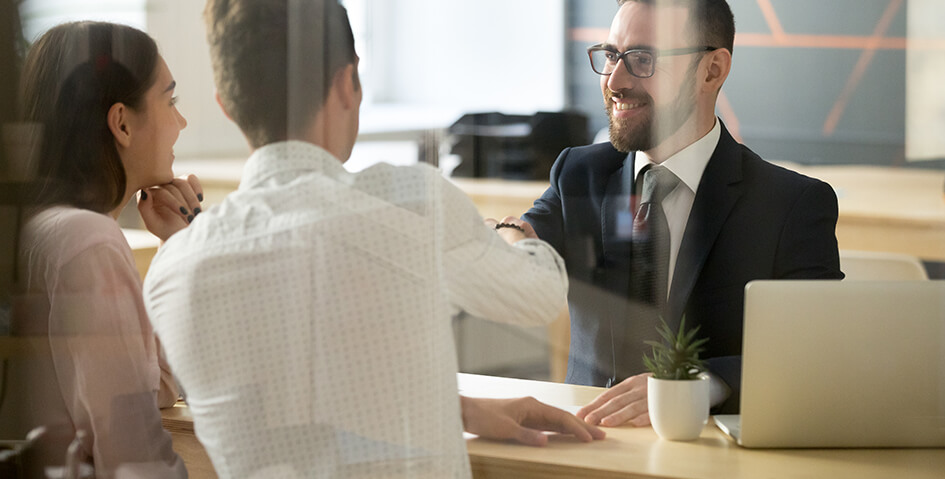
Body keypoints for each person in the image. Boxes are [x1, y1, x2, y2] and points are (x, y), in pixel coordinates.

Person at [142, 1, 603, 477]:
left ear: (226, 104)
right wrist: (508, 234)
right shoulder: (411, 201)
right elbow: (540, 296)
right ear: (348, 82)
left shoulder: (173, 269)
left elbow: (296, 405)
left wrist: (457, 408)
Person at [523, 0, 844, 426]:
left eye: (641, 59)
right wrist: (510, 233)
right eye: (612, 55)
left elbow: (820, 353)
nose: (614, 80)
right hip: (585, 444)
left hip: (710, 455)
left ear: (711, 70)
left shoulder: (791, 205)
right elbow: (523, 235)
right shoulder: (579, 174)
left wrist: (695, 384)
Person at [6, 21, 201, 477]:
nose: (181, 122)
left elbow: (154, 388)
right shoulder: (88, 241)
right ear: (122, 123)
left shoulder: (39, 228)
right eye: (170, 101)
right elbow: (134, 457)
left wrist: (174, 245)